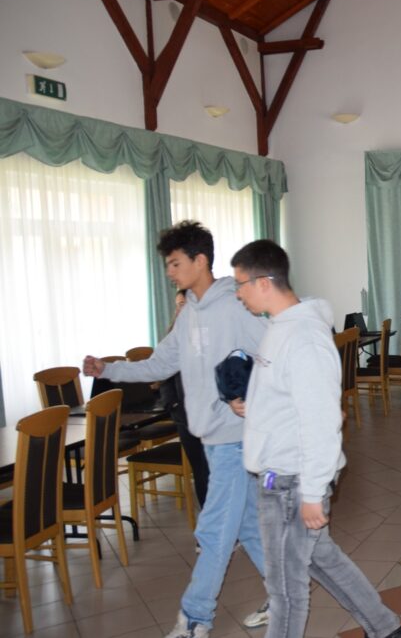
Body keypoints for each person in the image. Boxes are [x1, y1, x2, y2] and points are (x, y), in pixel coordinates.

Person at [82, 220, 270, 637]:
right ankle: (284, 593)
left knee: (214, 531)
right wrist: (108, 369)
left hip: (235, 437)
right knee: (246, 526)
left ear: (200, 261)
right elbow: (160, 363)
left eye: (175, 263)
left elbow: (273, 353)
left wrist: (250, 395)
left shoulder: (235, 305)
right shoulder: (189, 315)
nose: (169, 271)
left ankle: (195, 619)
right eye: (167, 264)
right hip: (212, 437)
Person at [229, 240, 401, 638]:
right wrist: (255, 407)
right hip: (287, 475)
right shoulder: (280, 328)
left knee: (285, 592)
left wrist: (312, 491)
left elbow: (322, 420)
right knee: (320, 558)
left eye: (240, 284)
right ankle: (387, 630)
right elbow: (295, 400)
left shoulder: (303, 338)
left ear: (263, 282)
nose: (237, 293)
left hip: (292, 481)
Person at [159, 289, 210, 509]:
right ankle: (208, 519)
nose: (182, 309)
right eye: (179, 305)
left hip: (211, 415)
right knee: (200, 470)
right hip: (184, 417)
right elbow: (164, 379)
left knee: (216, 471)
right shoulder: (171, 339)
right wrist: (173, 405)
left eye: (186, 304)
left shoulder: (208, 333)